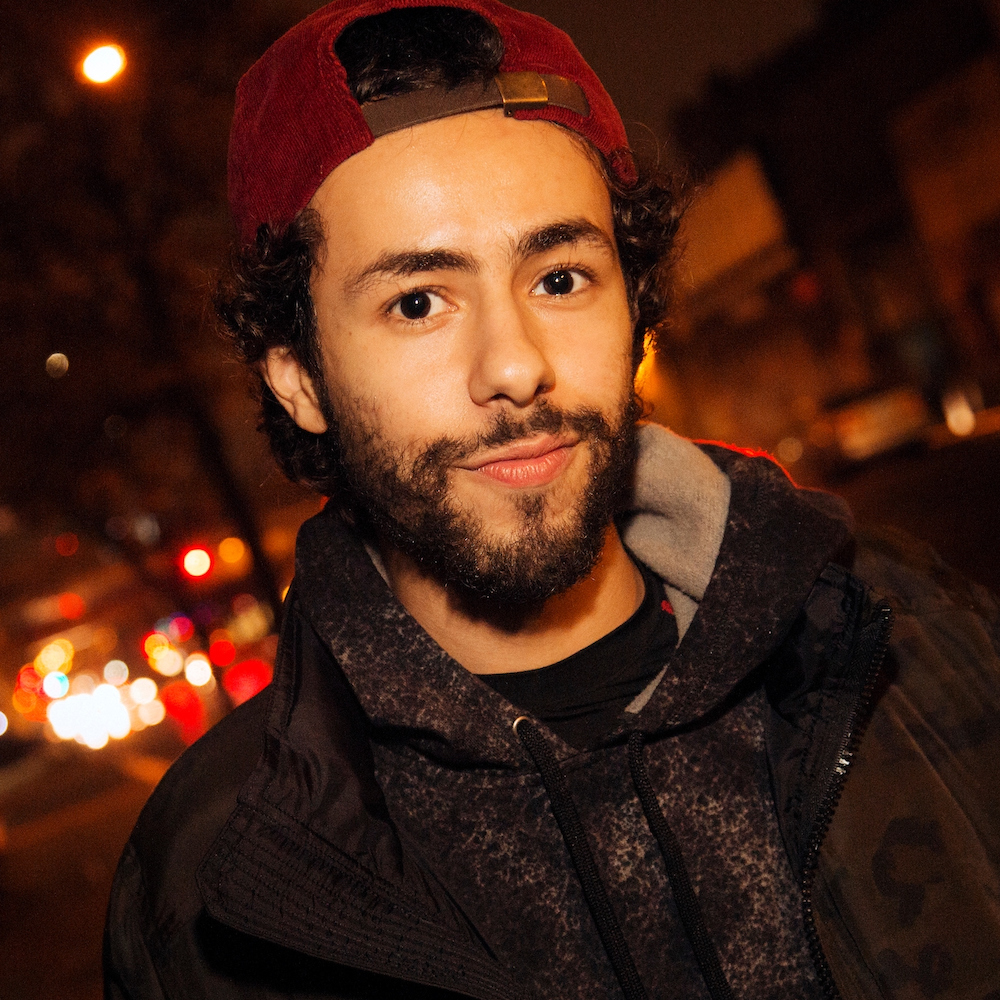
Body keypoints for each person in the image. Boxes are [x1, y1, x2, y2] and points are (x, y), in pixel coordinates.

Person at [103, 1, 1000, 997]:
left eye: (561, 276)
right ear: (300, 379)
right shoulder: (215, 887)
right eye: (416, 302)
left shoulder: (915, 640)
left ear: (633, 302)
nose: (515, 365)